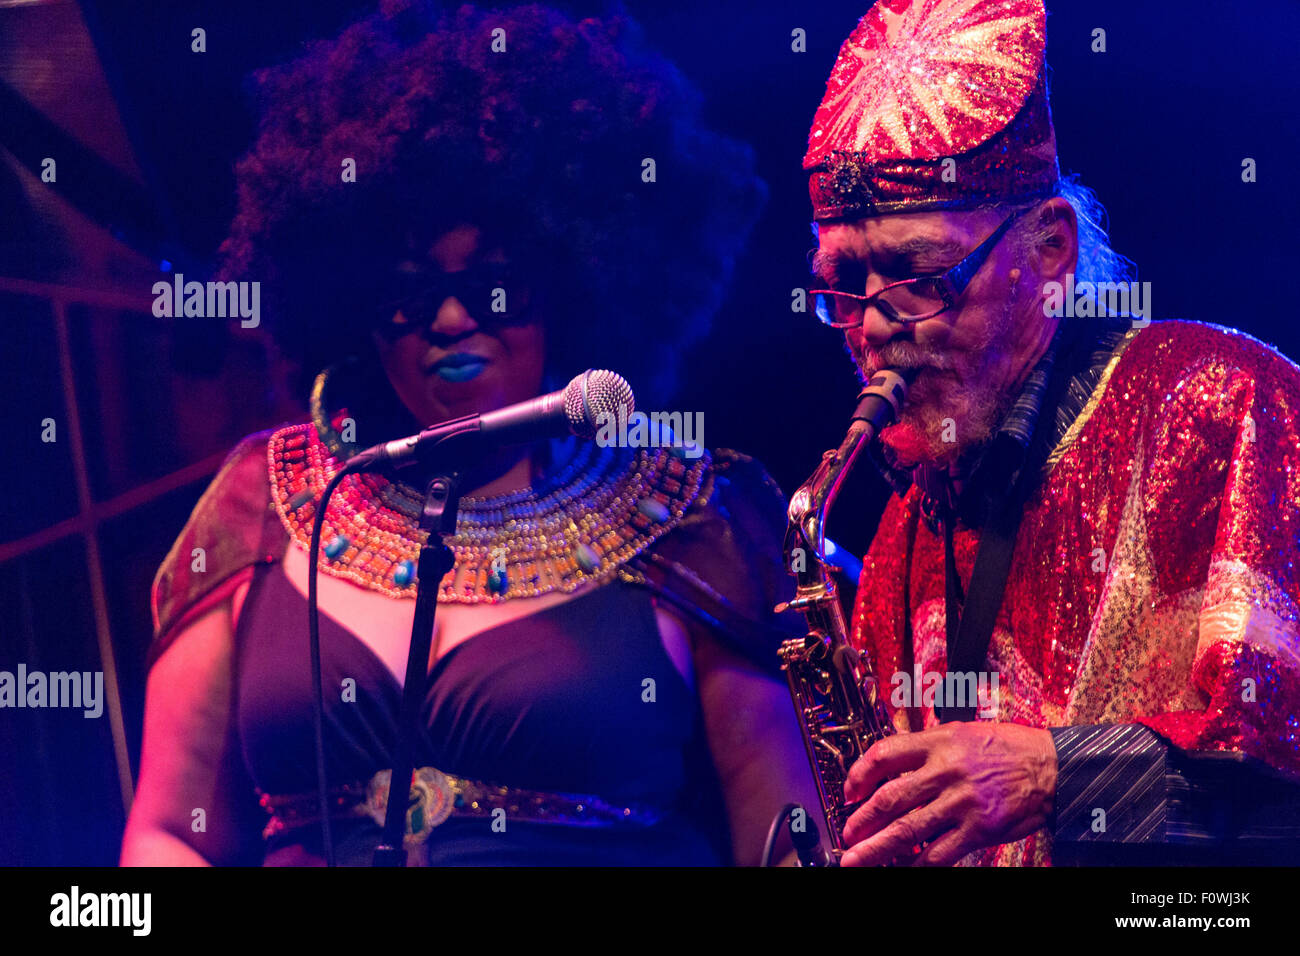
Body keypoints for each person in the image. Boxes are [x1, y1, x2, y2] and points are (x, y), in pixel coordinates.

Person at [121, 1, 819, 866]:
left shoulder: (694, 514)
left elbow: (786, 841)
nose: (451, 319)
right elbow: (165, 833)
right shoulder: (257, 502)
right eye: (407, 294)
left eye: (496, 287)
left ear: (577, 283)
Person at [799, 0, 1300, 866]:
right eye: (845, 283)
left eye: (919, 274)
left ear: (1049, 248)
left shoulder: (1227, 404)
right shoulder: (901, 531)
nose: (875, 324)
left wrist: (1054, 775)